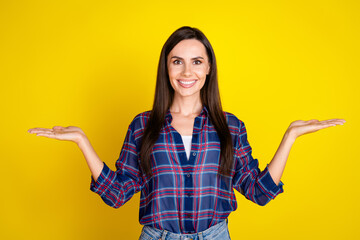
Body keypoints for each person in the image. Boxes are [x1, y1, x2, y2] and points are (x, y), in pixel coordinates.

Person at [28, 26, 345, 240]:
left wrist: (289, 136)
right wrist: (83, 142)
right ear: (166, 68)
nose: (186, 72)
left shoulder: (230, 126)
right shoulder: (143, 125)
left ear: (209, 68)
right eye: (177, 61)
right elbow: (118, 195)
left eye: (197, 61)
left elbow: (257, 192)